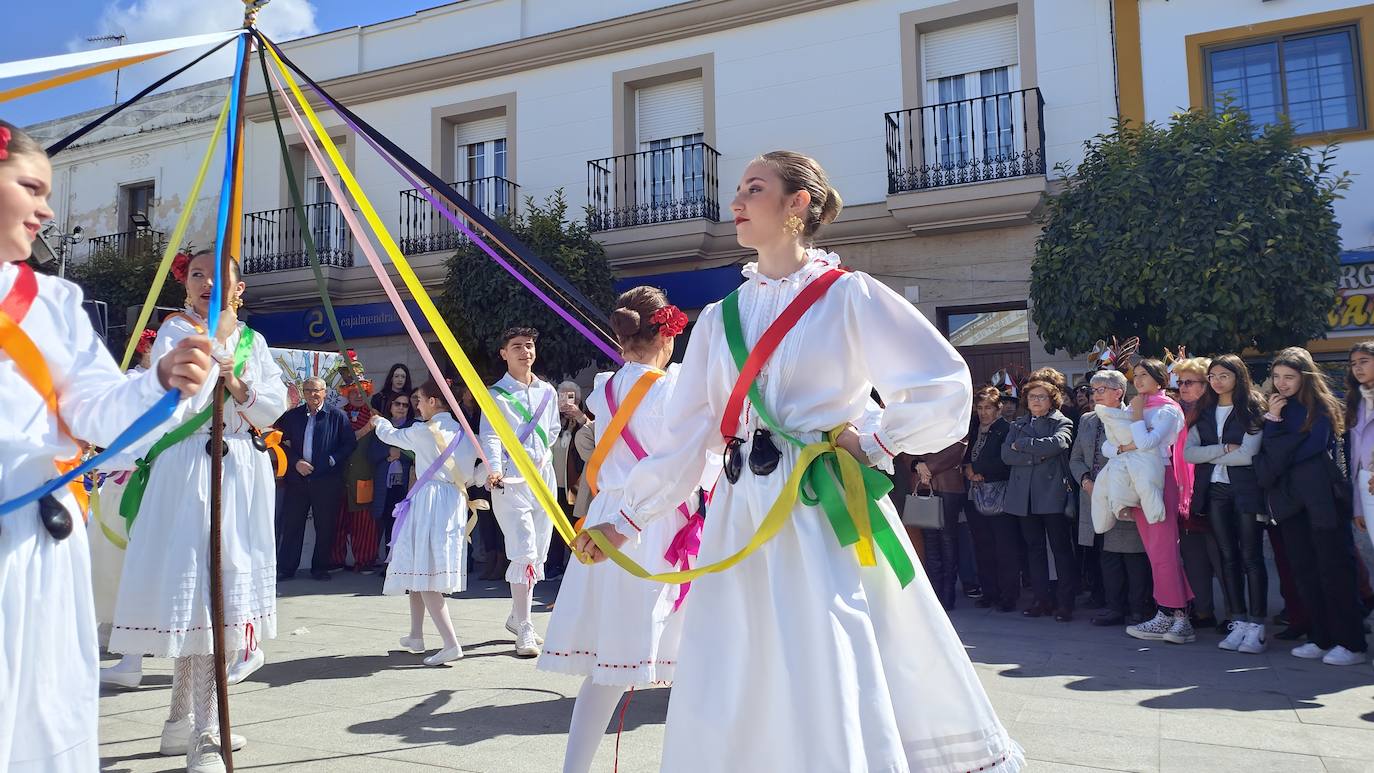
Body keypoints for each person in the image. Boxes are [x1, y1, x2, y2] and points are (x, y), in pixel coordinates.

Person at [577, 150, 1020, 772]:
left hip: (820, 505)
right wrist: (623, 517)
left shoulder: (849, 296)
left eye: (755, 188)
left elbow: (943, 382)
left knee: (826, 648)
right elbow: (687, 437)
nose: (737, 201)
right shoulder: (719, 318)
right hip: (739, 509)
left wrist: (876, 441)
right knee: (738, 658)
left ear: (797, 204)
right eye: (737, 189)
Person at [0, 120, 213, 773]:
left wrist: (158, 380)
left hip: (34, 537)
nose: (45, 209)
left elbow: (94, 405)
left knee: (41, 707)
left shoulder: (54, 301)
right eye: (30, 187)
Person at [108, 249, 287, 771]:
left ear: (240, 287)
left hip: (240, 471)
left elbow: (276, 401)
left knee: (222, 599)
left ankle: (178, 722)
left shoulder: (255, 341)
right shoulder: (174, 330)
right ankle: (206, 735)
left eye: (219, 277)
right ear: (185, 286)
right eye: (197, 275)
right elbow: (176, 398)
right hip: (191, 469)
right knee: (206, 599)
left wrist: (239, 383)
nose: (207, 283)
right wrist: (213, 367)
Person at [539, 286, 700, 773]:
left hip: (608, 515)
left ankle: (575, 768)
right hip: (653, 519)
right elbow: (687, 465)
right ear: (669, 333)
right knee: (696, 655)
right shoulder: (674, 388)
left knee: (607, 667)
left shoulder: (604, 389)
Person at [1256, 347, 1367, 666]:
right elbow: (1268, 455)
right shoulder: (1277, 407)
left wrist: (1275, 433)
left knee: (1335, 571)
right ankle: (1321, 637)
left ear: (1304, 376)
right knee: (1304, 570)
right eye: (1276, 377)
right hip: (1290, 501)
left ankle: (1352, 643)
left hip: (1322, 499)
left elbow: (1310, 448)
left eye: (1289, 377)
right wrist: (1275, 422)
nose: (1281, 383)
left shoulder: (1320, 405)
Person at [371, 379, 477, 665]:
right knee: (420, 569)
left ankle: (450, 643)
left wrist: (378, 422)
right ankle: (416, 636)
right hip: (453, 500)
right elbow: (468, 474)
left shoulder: (422, 431)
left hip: (429, 501)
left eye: (419, 399)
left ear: (433, 401)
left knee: (427, 574)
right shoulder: (464, 433)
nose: (416, 404)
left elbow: (391, 436)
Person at [479, 327, 562, 657]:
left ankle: (517, 615)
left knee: (539, 548)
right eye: (517, 347)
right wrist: (494, 468)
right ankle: (526, 628)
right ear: (504, 353)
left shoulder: (547, 391)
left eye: (529, 346)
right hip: (511, 479)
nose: (525, 351)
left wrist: (544, 454)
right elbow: (490, 435)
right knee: (524, 548)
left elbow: (552, 428)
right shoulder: (495, 395)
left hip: (543, 477)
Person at [1184, 353, 1267, 652]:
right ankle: (1239, 620)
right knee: (1227, 556)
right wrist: (1221, 449)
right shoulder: (1203, 409)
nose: (1217, 382)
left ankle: (1257, 625)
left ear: (1238, 377)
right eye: (1213, 376)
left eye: (1224, 376)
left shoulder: (1251, 408)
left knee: (1251, 557)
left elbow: (1248, 454)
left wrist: (1212, 453)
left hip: (1246, 491)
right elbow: (1188, 453)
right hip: (1215, 490)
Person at [1112, 360, 1195, 644]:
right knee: (1155, 552)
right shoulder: (1135, 407)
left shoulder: (1168, 409)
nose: (1138, 380)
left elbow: (1149, 443)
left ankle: (1177, 615)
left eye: (1144, 375)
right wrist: (1129, 438)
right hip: (1136, 479)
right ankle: (1171, 615)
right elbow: (1110, 445)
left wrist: (1134, 421)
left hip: (1160, 478)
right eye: (1135, 375)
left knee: (1164, 550)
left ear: (1160, 379)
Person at [1076, 369, 1154, 626]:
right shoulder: (1086, 420)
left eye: (1100, 390)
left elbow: (1143, 453)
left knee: (1132, 554)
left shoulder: (1132, 416)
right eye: (1093, 390)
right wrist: (1086, 480)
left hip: (1127, 494)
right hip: (1095, 497)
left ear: (1118, 392)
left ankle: (1137, 608)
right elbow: (1075, 458)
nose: (1094, 395)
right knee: (1107, 554)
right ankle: (1113, 607)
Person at [1002, 378, 1078, 621]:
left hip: (1052, 495)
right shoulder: (1017, 423)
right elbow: (1006, 455)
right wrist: (1035, 456)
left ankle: (1065, 603)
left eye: (1041, 396)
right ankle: (1041, 599)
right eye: (1032, 396)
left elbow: (1057, 444)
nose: (1036, 401)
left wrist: (1023, 445)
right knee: (1034, 550)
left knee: (1061, 549)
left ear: (1051, 400)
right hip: (1024, 498)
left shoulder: (1061, 421)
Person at [276, 377, 357, 581]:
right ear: (303, 393)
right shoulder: (293, 416)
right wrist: (295, 462)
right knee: (292, 525)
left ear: (325, 392)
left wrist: (332, 459)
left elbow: (349, 444)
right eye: (308, 390)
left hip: (327, 481)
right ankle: (286, 568)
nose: (312, 394)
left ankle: (320, 568)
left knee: (325, 526)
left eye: (316, 390)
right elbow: (281, 443)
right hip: (298, 480)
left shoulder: (337, 416)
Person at [1173, 356, 1228, 632]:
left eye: (1189, 382)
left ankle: (1234, 612)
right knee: (1193, 558)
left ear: (1205, 385)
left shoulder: (1214, 413)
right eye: (1180, 382)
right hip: (1184, 497)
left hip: (1212, 492)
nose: (1182, 387)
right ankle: (1204, 610)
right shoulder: (1176, 413)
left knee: (1221, 557)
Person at [964, 385, 1016, 611]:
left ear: (998, 408)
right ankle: (989, 592)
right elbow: (965, 455)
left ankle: (1008, 595)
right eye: (980, 408)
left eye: (988, 408)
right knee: (982, 545)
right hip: (975, 494)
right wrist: (968, 468)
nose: (983, 412)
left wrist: (979, 470)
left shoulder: (1006, 429)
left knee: (1004, 548)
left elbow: (1006, 461)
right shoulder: (974, 428)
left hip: (999, 493)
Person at [914, 437, 970, 610]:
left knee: (947, 539)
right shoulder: (921, 414)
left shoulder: (953, 413)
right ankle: (935, 594)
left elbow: (959, 447)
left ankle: (947, 594)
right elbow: (907, 443)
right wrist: (916, 463)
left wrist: (927, 468)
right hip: (924, 483)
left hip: (948, 485)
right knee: (929, 540)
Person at [334, 383, 380, 573]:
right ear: (347, 394)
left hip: (364, 475)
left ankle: (366, 560)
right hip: (340, 476)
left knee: (364, 523)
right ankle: (336, 561)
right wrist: (365, 430)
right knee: (337, 520)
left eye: (363, 392)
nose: (359, 396)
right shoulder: (338, 415)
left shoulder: (374, 416)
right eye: (354, 392)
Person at [368, 391, 415, 571]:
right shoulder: (382, 427)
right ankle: (389, 565)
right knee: (389, 524)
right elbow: (371, 454)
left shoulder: (413, 427)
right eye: (398, 404)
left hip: (406, 485)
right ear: (391, 406)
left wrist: (400, 454)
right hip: (386, 485)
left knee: (405, 526)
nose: (401, 408)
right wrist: (388, 454)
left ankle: (402, 566)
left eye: (405, 405)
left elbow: (419, 454)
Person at [548, 379, 589, 578]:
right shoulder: (553, 419)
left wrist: (579, 416)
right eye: (561, 396)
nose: (565, 401)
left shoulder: (584, 420)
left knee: (574, 524)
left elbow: (594, 434)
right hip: (554, 483)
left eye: (569, 396)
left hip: (575, 483)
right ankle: (554, 564)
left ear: (578, 399)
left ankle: (574, 566)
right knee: (555, 526)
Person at [1345, 341, 1374, 554]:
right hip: (1366, 483)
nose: (1358, 368)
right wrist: (1357, 506)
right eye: (1353, 363)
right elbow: (1354, 457)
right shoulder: (1356, 401)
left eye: (1364, 361)